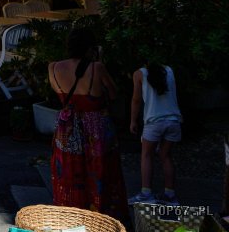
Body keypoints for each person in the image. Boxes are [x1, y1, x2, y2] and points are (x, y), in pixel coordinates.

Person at [48, 27, 128, 220]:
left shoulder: (53, 68)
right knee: (100, 171)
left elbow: (61, 97)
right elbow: (113, 93)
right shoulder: (96, 68)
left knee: (69, 173)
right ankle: (101, 218)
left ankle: (71, 217)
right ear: (90, 48)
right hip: (95, 127)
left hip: (67, 128)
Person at [129, 62, 182, 205]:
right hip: (174, 120)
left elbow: (136, 100)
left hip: (154, 122)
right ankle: (170, 195)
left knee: (146, 155)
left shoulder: (139, 73)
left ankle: (146, 194)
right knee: (166, 156)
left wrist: (133, 121)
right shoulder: (169, 70)